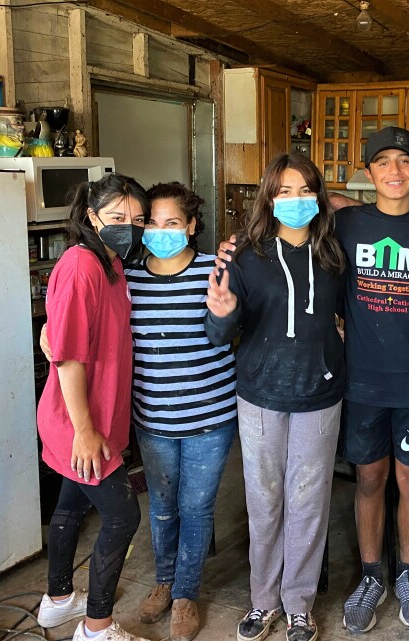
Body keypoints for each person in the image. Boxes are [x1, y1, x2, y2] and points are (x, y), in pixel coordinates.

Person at [205, 154, 347, 641]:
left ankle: (299, 605)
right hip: (261, 394)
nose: (294, 201)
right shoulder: (246, 255)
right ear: (268, 197)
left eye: (305, 190)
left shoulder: (334, 252)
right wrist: (222, 313)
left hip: (321, 392)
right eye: (283, 191)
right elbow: (219, 333)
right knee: (264, 501)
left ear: (318, 196)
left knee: (309, 502)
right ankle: (263, 601)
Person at [334, 127, 409, 632]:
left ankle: (407, 573)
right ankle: (370, 576)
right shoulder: (346, 225)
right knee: (370, 478)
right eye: (382, 162)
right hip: (362, 379)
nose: (395, 172)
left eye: (405, 162)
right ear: (368, 172)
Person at [35, 174, 150, 641]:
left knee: (69, 505)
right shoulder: (81, 264)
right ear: (91, 217)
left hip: (94, 415)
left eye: (137, 219)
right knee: (123, 517)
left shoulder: (112, 264)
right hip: (78, 420)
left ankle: (57, 602)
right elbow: (68, 357)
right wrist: (84, 430)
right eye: (118, 218)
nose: (130, 227)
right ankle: (96, 627)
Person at [126, 183, 238, 641]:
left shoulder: (214, 270)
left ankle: (187, 594)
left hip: (209, 416)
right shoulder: (128, 276)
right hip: (152, 419)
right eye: (151, 223)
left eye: (172, 223)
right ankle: (164, 582)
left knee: (196, 507)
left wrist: (225, 313)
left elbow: (222, 335)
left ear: (192, 226)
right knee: (162, 508)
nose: (160, 231)